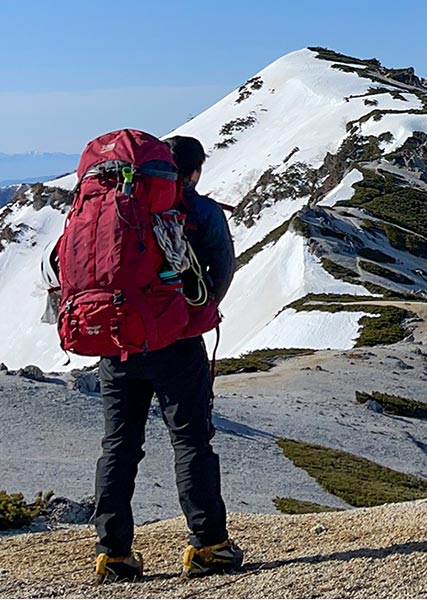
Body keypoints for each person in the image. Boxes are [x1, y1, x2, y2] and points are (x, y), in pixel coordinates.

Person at [94, 135, 242, 583]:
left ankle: (113, 554)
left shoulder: (110, 206)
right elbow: (222, 271)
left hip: (117, 343)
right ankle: (209, 546)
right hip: (176, 342)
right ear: (193, 171)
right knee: (192, 441)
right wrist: (196, 313)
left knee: (119, 446)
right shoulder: (200, 211)